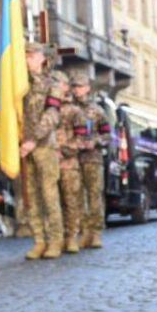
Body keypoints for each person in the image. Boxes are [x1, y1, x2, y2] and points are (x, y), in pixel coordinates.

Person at [20, 43, 64, 260]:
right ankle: (39, 240)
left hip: (44, 145)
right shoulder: (18, 83)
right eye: (25, 55)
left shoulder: (52, 83)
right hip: (22, 148)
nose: (27, 58)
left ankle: (55, 240)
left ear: (42, 59)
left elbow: (52, 115)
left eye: (31, 55)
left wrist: (32, 140)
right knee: (30, 196)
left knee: (49, 195)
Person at [71, 74, 111, 249]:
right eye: (74, 87)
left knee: (95, 196)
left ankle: (96, 233)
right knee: (77, 197)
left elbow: (108, 135)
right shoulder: (70, 109)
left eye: (80, 86)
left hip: (93, 158)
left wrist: (96, 141)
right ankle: (83, 231)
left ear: (87, 88)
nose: (76, 90)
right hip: (73, 158)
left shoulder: (97, 111)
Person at [53, 71, 85, 253]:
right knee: (53, 202)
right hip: (50, 161)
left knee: (71, 201)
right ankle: (56, 238)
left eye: (58, 83)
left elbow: (81, 138)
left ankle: (72, 237)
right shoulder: (48, 107)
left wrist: (64, 151)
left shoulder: (75, 110)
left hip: (69, 162)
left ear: (65, 87)